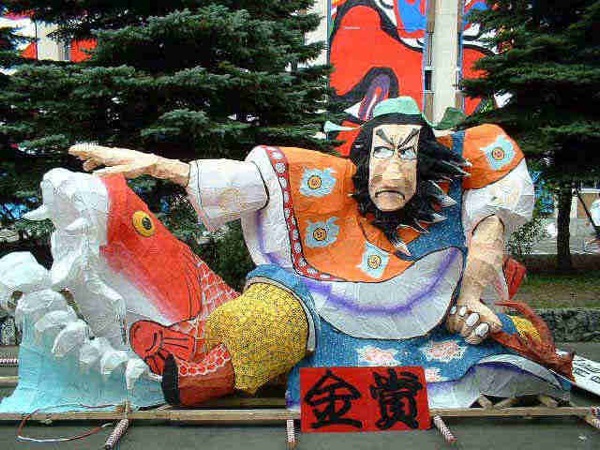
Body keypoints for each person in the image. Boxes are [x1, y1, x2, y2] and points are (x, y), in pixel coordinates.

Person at [70, 97, 567, 408]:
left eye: (408, 154)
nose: (393, 171)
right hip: (316, 307)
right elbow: (246, 180)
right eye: (382, 152)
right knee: (261, 320)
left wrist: (472, 298)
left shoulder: (458, 187)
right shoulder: (328, 179)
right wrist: (153, 164)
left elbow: (491, 227)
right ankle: (212, 372)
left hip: (430, 330)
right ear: (363, 157)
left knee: (507, 336)